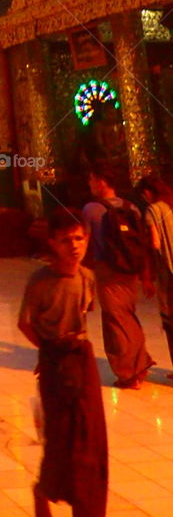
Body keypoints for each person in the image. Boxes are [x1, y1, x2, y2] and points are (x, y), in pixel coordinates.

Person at [19, 208, 107, 517]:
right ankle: (43, 490)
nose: (74, 246)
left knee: (90, 442)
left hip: (81, 359)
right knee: (60, 440)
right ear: (52, 243)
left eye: (79, 238)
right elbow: (25, 323)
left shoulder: (87, 277)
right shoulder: (39, 282)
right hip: (54, 359)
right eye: (66, 240)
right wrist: (47, 351)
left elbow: (85, 315)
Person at [82, 164, 154, 388]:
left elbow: (85, 244)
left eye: (92, 179)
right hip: (129, 270)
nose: (90, 184)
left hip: (107, 269)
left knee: (115, 319)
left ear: (102, 181)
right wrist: (145, 276)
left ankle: (129, 373)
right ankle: (139, 364)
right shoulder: (131, 207)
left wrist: (82, 277)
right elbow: (141, 244)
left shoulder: (91, 209)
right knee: (127, 315)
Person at [137, 173, 173, 375]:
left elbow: (155, 242)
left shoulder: (152, 210)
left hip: (168, 274)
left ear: (147, 193)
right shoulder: (170, 206)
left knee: (170, 322)